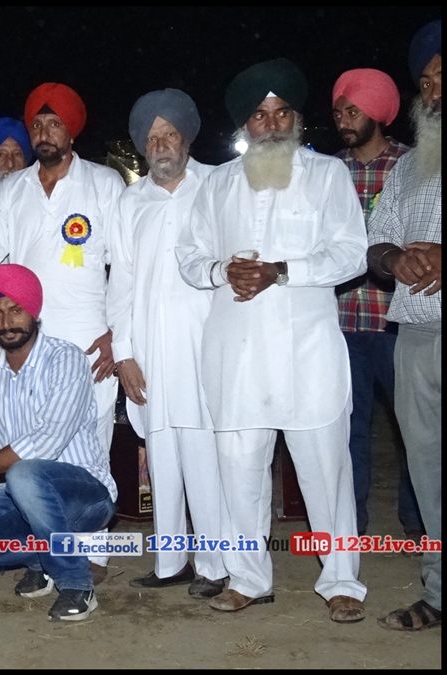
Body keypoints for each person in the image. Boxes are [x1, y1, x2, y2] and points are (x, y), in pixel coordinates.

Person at [176, 58, 368, 623]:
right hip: (236, 352)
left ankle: (341, 582)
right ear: (245, 125)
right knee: (239, 469)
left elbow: (352, 253)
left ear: (296, 118)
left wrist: (283, 271)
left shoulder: (327, 175)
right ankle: (248, 578)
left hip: (307, 351)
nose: (272, 123)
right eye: (259, 115)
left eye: (282, 112)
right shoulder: (216, 184)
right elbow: (189, 256)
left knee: (325, 470)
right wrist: (221, 271)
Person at [0, 84, 124, 592]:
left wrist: (118, 333)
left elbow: (126, 264)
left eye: (54, 124)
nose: (44, 133)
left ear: (71, 131)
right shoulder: (13, 190)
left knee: (88, 446)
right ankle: (43, 554)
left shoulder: (104, 183)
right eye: (37, 125)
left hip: (89, 341)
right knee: (26, 452)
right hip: (27, 337)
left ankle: (89, 555)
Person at [0, 264, 116, 622]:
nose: (7, 322)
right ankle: (43, 560)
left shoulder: (66, 358)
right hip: (26, 497)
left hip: (86, 496)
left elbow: (44, 444)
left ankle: (77, 584)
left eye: (16, 310)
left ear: (33, 312)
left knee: (25, 473)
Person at [108, 89, 226, 598]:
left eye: (169, 134)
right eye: (152, 138)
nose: (161, 145)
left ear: (187, 138)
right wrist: (124, 355)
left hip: (206, 345)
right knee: (161, 456)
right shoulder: (130, 201)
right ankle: (170, 562)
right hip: (150, 351)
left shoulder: (217, 185)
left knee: (205, 455)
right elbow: (120, 284)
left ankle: (216, 565)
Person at [329, 70, 423, 538]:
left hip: (396, 323)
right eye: (339, 113)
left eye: (354, 111)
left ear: (379, 112)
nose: (344, 121)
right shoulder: (329, 171)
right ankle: (351, 524)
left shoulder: (414, 165)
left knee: (414, 430)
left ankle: (418, 521)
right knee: (348, 431)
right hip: (340, 322)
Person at [371, 20, 441, 632]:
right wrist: (395, 259)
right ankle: (440, 592)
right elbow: (375, 241)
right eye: (426, 82)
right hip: (415, 336)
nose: (435, 91)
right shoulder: (409, 165)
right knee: (428, 472)